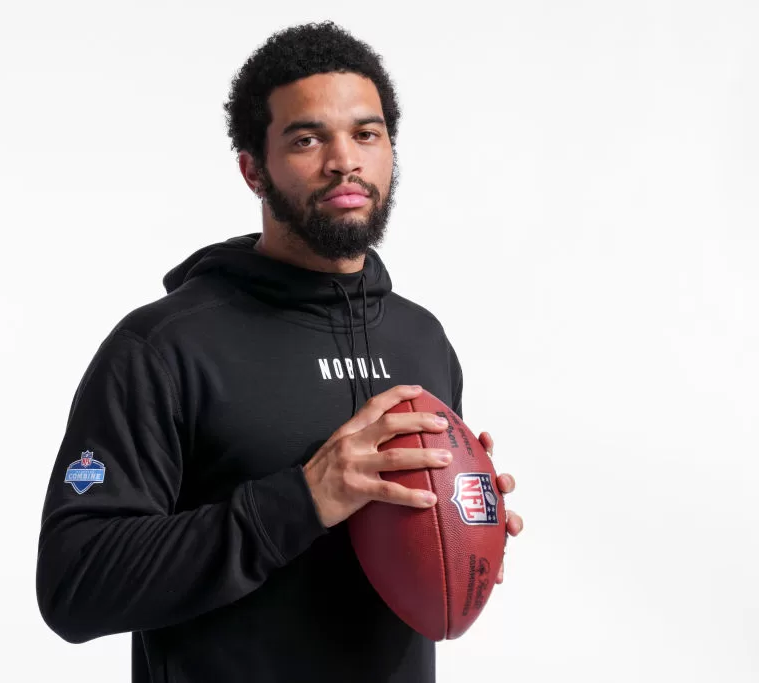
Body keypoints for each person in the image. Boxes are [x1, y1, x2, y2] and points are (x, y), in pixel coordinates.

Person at [36, 20, 523, 683]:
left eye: (366, 133)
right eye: (306, 138)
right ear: (252, 170)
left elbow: (410, 565)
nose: (344, 159)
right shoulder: (164, 346)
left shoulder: (421, 338)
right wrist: (302, 497)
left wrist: (468, 527)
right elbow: (75, 580)